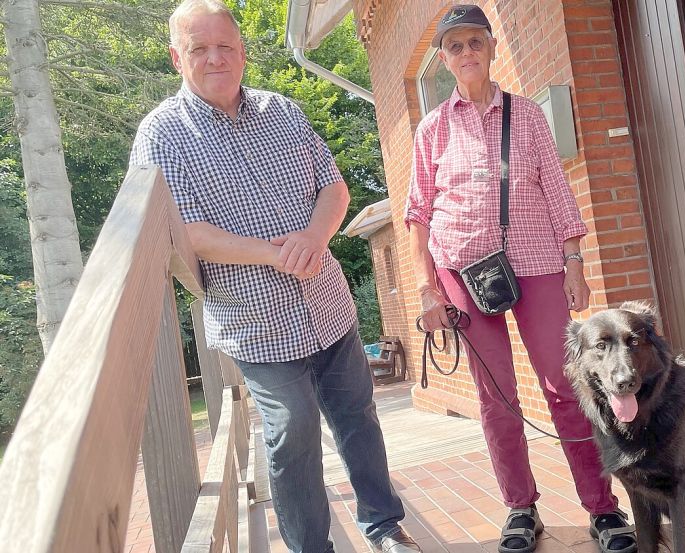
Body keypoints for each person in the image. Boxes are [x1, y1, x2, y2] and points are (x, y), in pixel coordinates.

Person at [129, 2, 419, 552]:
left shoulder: (283, 111)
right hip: (256, 324)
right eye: (199, 49)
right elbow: (182, 231)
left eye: (226, 47)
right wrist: (270, 253)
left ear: (242, 53)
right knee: (292, 433)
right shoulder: (161, 134)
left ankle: (384, 527)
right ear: (176, 57)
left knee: (358, 420)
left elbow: (335, 189)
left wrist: (314, 237)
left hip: (327, 304)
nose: (216, 58)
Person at [405, 5, 638, 553]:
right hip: (462, 272)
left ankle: (603, 510)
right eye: (455, 46)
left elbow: (557, 189)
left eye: (475, 43)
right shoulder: (432, 128)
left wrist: (575, 262)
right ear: (444, 58)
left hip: (536, 265)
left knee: (566, 387)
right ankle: (520, 508)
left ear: (491, 49)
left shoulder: (527, 114)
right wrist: (426, 288)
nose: (466, 53)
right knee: (496, 397)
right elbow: (418, 212)